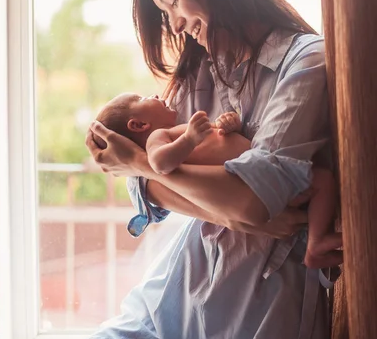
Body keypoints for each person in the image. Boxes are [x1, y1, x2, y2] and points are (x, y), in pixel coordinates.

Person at [0, 0, 341, 339]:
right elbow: (159, 193)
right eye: (164, 9)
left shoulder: (306, 62)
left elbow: (250, 202)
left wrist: (141, 164)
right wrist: (160, 174)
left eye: (174, 1)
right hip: (170, 304)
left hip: (253, 325)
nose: (174, 23)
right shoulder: (204, 70)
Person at [94, 92, 342, 266]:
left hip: (259, 172)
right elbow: (159, 164)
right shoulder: (158, 138)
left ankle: (316, 241)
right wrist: (189, 138)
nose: (156, 96)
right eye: (143, 98)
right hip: (245, 180)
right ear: (138, 124)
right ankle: (317, 241)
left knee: (321, 180)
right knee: (322, 181)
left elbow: (216, 137)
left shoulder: (177, 130)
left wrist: (228, 123)